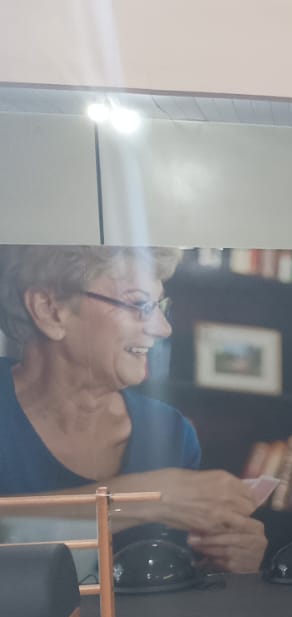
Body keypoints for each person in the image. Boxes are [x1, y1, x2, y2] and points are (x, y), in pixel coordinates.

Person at [0, 245, 267, 572]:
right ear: (50, 309)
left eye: (160, 306)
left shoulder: (172, 433)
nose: (162, 328)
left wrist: (226, 562)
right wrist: (145, 499)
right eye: (139, 304)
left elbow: (177, 580)